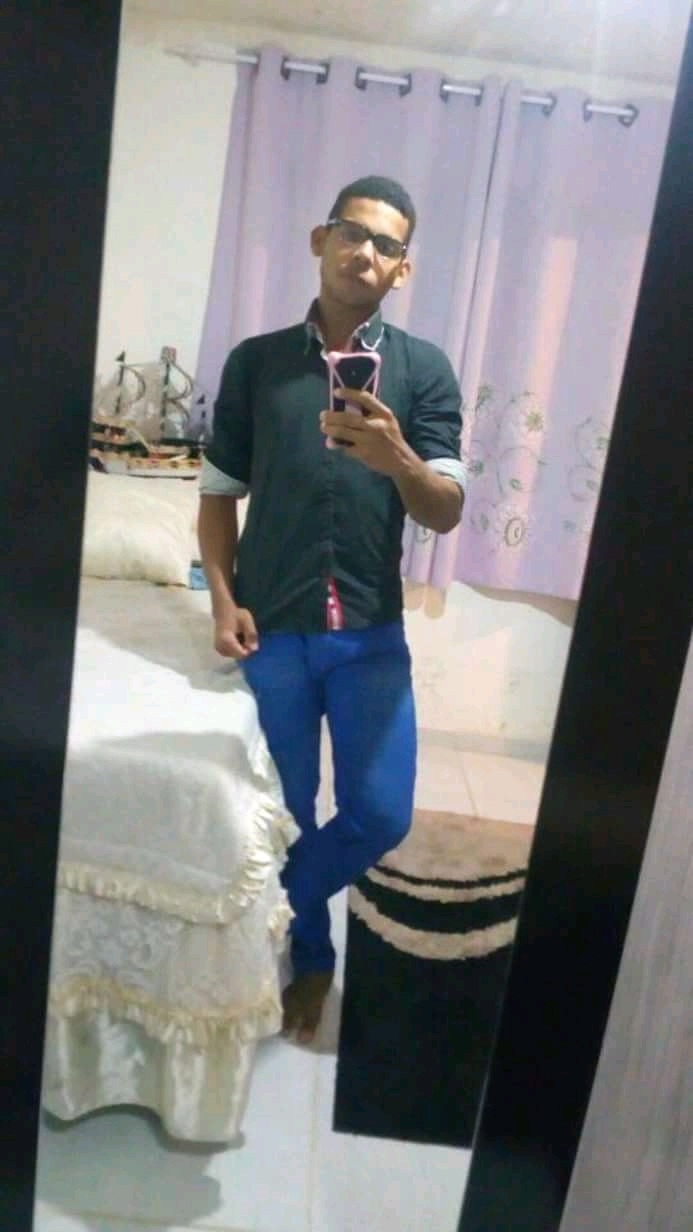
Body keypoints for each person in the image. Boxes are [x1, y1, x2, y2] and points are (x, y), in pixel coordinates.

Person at [198, 175, 466, 1043]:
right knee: (287, 813)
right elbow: (217, 495)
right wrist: (222, 602)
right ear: (321, 240)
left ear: (402, 269)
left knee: (380, 814)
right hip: (271, 631)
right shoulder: (256, 363)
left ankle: (259, 909)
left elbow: (444, 511)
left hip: (369, 636)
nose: (365, 252)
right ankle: (312, 961)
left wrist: (398, 459)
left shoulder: (424, 370)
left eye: (386, 244)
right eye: (352, 232)